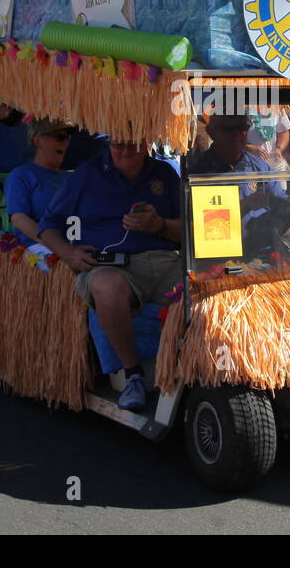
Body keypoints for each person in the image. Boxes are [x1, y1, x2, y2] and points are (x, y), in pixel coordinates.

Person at [38, 142, 183, 412]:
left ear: (146, 143)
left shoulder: (164, 173)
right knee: (107, 286)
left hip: (165, 263)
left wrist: (160, 225)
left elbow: (191, 228)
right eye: (118, 145)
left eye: (133, 145)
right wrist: (69, 254)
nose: (126, 151)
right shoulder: (87, 174)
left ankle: (201, 366)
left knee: (210, 285)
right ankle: (133, 375)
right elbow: (48, 225)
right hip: (113, 266)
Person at [187, 113, 290, 254]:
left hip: (263, 249)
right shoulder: (200, 172)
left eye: (243, 128)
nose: (239, 134)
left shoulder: (258, 166)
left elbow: (279, 197)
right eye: (230, 129)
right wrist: (245, 205)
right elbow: (204, 227)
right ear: (212, 132)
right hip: (221, 254)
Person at [4, 120, 76, 244]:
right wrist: (59, 246)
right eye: (59, 137)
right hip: (39, 251)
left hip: (74, 246)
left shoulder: (71, 178)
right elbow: (19, 219)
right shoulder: (21, 175)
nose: (65, 142)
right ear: (37, 141)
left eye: (67, 138)